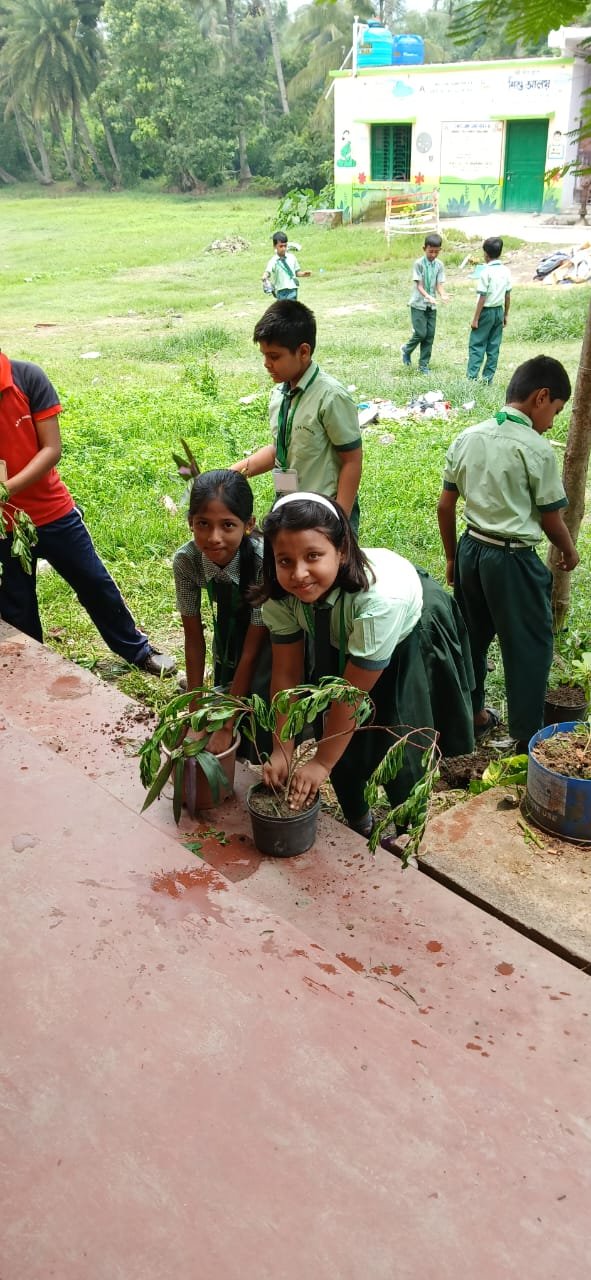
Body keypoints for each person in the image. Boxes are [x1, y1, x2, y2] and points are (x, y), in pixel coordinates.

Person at [255, 492, 474, 837]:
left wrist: (321, 762)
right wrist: (282, 748)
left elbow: (351, 696)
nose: (298, 573)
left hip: (408, 633)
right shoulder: (282, 598)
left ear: (341, 551)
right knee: (335, 727)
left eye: (313, 556)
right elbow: (286, 675)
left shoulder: (379, 603)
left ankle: (409, 833)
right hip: (338, 629)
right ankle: (359, 823)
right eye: (285, 561)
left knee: (400, 735)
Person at [0, 350, 175, 675]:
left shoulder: (27, 378)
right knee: (15, 605)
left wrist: (6, 489)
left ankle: (138, 652)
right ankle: (33, 670)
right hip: (3, 528)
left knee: (94, 582)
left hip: (53, 512)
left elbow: (51, 449)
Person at [437, 355, 579, 753]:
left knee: (472, 639)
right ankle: (525, 739)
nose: (553, 420)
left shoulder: (468, 436)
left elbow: (445, 507)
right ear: (541, 397)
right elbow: (551, 517)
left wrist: (452, 557)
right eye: (555, 410)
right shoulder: (535, 449)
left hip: (471, 551)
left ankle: (473, 714)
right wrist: (569, 550)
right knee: (529, 648)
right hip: (513, 560)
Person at [230, 300, 363, 533]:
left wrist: (339, 520)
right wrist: (234, 472)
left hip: (325, 511)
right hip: (288, 505)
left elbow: (352, 460)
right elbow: (280, 449)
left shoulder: (330, 397)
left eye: (274, 356)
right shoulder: (280, 394)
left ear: (303, 352)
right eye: (263, 355)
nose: (266, 364)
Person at [173, 469, 270, 756]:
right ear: (191, 522)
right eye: (203, 524)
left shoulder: (265, 564)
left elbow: (253, 647)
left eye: (228, 525)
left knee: (256, 711)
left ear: (248, 525)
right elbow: (193, 637)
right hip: (228, 630)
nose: (214, 537)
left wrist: (227, 724)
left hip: (269, 638)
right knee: (224, 672)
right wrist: (195, 712)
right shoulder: (186, 561)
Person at [401, 232, 449, 375]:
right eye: (430, 251)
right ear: (424, 249)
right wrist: (428, 296)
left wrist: (443, 294)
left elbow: (438, 284)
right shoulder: (418, 264)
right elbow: (419, 286)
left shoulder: (439, 265)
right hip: (418, 304)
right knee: (421, 333)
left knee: (429, 335)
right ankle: (406, 349)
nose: (433, 254)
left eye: (436, 251)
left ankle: (423, 365)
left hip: (431, 305)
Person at [467, 236, 511, 383]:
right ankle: (487, 379)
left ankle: (471, 378)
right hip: (499, 311)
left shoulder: (485, 272)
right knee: (493, 347)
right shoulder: (506, 271)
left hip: (485, 312)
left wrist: (475, 318)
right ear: (500, 252)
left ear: (485, 254)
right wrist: (505, 314)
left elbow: (482, 298)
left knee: (477, 345)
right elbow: (507, 294)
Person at [262, 231, 311, 301]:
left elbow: (296, 272)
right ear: (275, 246)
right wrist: (265, 276)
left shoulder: (292, 257)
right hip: (280, 291)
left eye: (285, 246)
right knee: (282, 310)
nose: (283, 248)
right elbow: (268, 271)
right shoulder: (273, 260)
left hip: (292, 289)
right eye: (281, 246)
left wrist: (303, 274)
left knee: (291, 309)